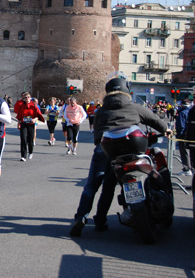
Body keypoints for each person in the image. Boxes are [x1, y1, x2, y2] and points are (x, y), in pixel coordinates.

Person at [69, 72, 171, 236]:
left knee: (91, 186)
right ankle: (100, 221)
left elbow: (96, 136)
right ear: (127, 90)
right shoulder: (135, 107)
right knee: (108, 188)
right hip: (130, 151)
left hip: (106, 149)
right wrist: (167, 130)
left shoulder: (102, 111)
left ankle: (80, 217)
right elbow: (156, 122)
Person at [14, 92, 45, 161]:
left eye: (28, 97)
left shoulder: (33, 106)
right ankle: (23, 156)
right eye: (25, 97)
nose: (27, 99)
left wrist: (35, 119)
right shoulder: (22, 106)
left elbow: (38, 115)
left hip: (31, 124)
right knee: (23, 139)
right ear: (24, 99)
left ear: (30, 98)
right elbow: (19, 116)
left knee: (30, 140)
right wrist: (18, 123)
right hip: (24, 124)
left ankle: (30, 152)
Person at [175, 99, 192, 175]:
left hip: (183, 136)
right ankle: (190, 168)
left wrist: (180, 136)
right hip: (190, 135)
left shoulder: (182, 113)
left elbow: (181, 126)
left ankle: (187, 168)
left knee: (184, 153)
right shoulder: (191, 111)